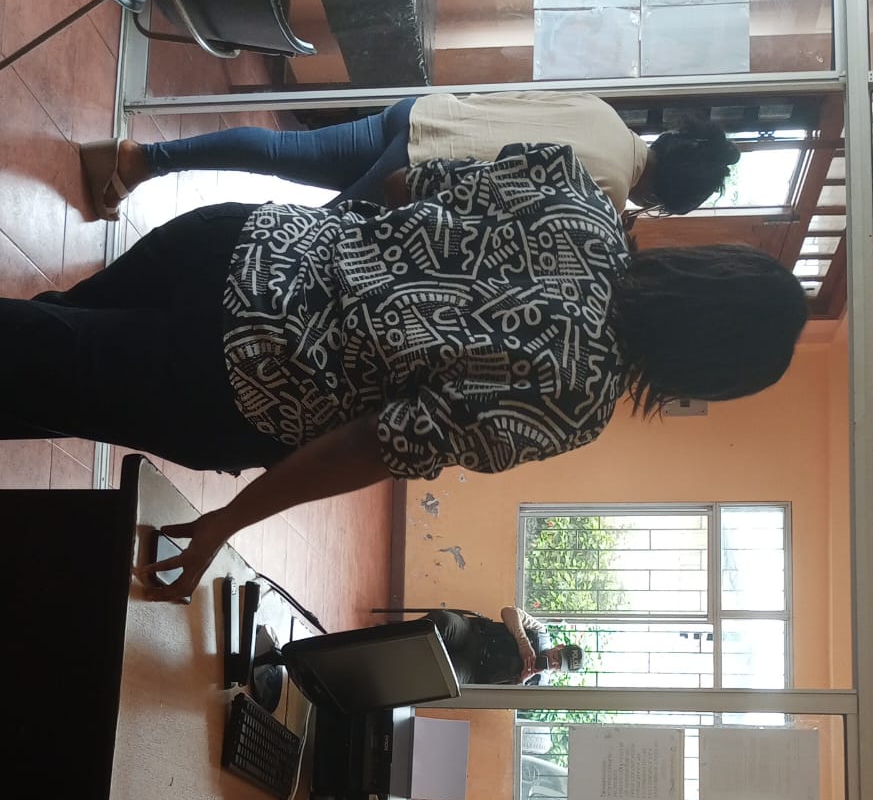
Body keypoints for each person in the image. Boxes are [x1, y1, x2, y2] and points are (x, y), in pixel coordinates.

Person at [1, 144, 808, 602]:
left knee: (46, 347)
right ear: (704, 370)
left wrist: (391, 270)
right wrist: (225, 523)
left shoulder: (585, 206)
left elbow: (403, 184)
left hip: (240, 244)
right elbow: (375, 444)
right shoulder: (576, 400)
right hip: (236, 374)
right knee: (36, 363)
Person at [81, 95, 739, 220]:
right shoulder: (606, 191)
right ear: (664, 195)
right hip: (415, 175)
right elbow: (498, 201)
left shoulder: (603, 113)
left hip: (422, 114)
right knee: (286, 239)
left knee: (281, 152)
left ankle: (141, 159)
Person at [426, 605, 582, 685]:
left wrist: (521, 680)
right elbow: (508, 611)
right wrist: (523, 642)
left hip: (473, 671)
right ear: (560, 646)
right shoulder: (541, 632)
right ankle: (410, 635)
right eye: (558, 657)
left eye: (558, 666)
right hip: (472, 635)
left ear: (561, 672)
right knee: (445, 622)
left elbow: (506, 700)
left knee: (445, 679)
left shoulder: (539, 682)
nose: (554, 663)